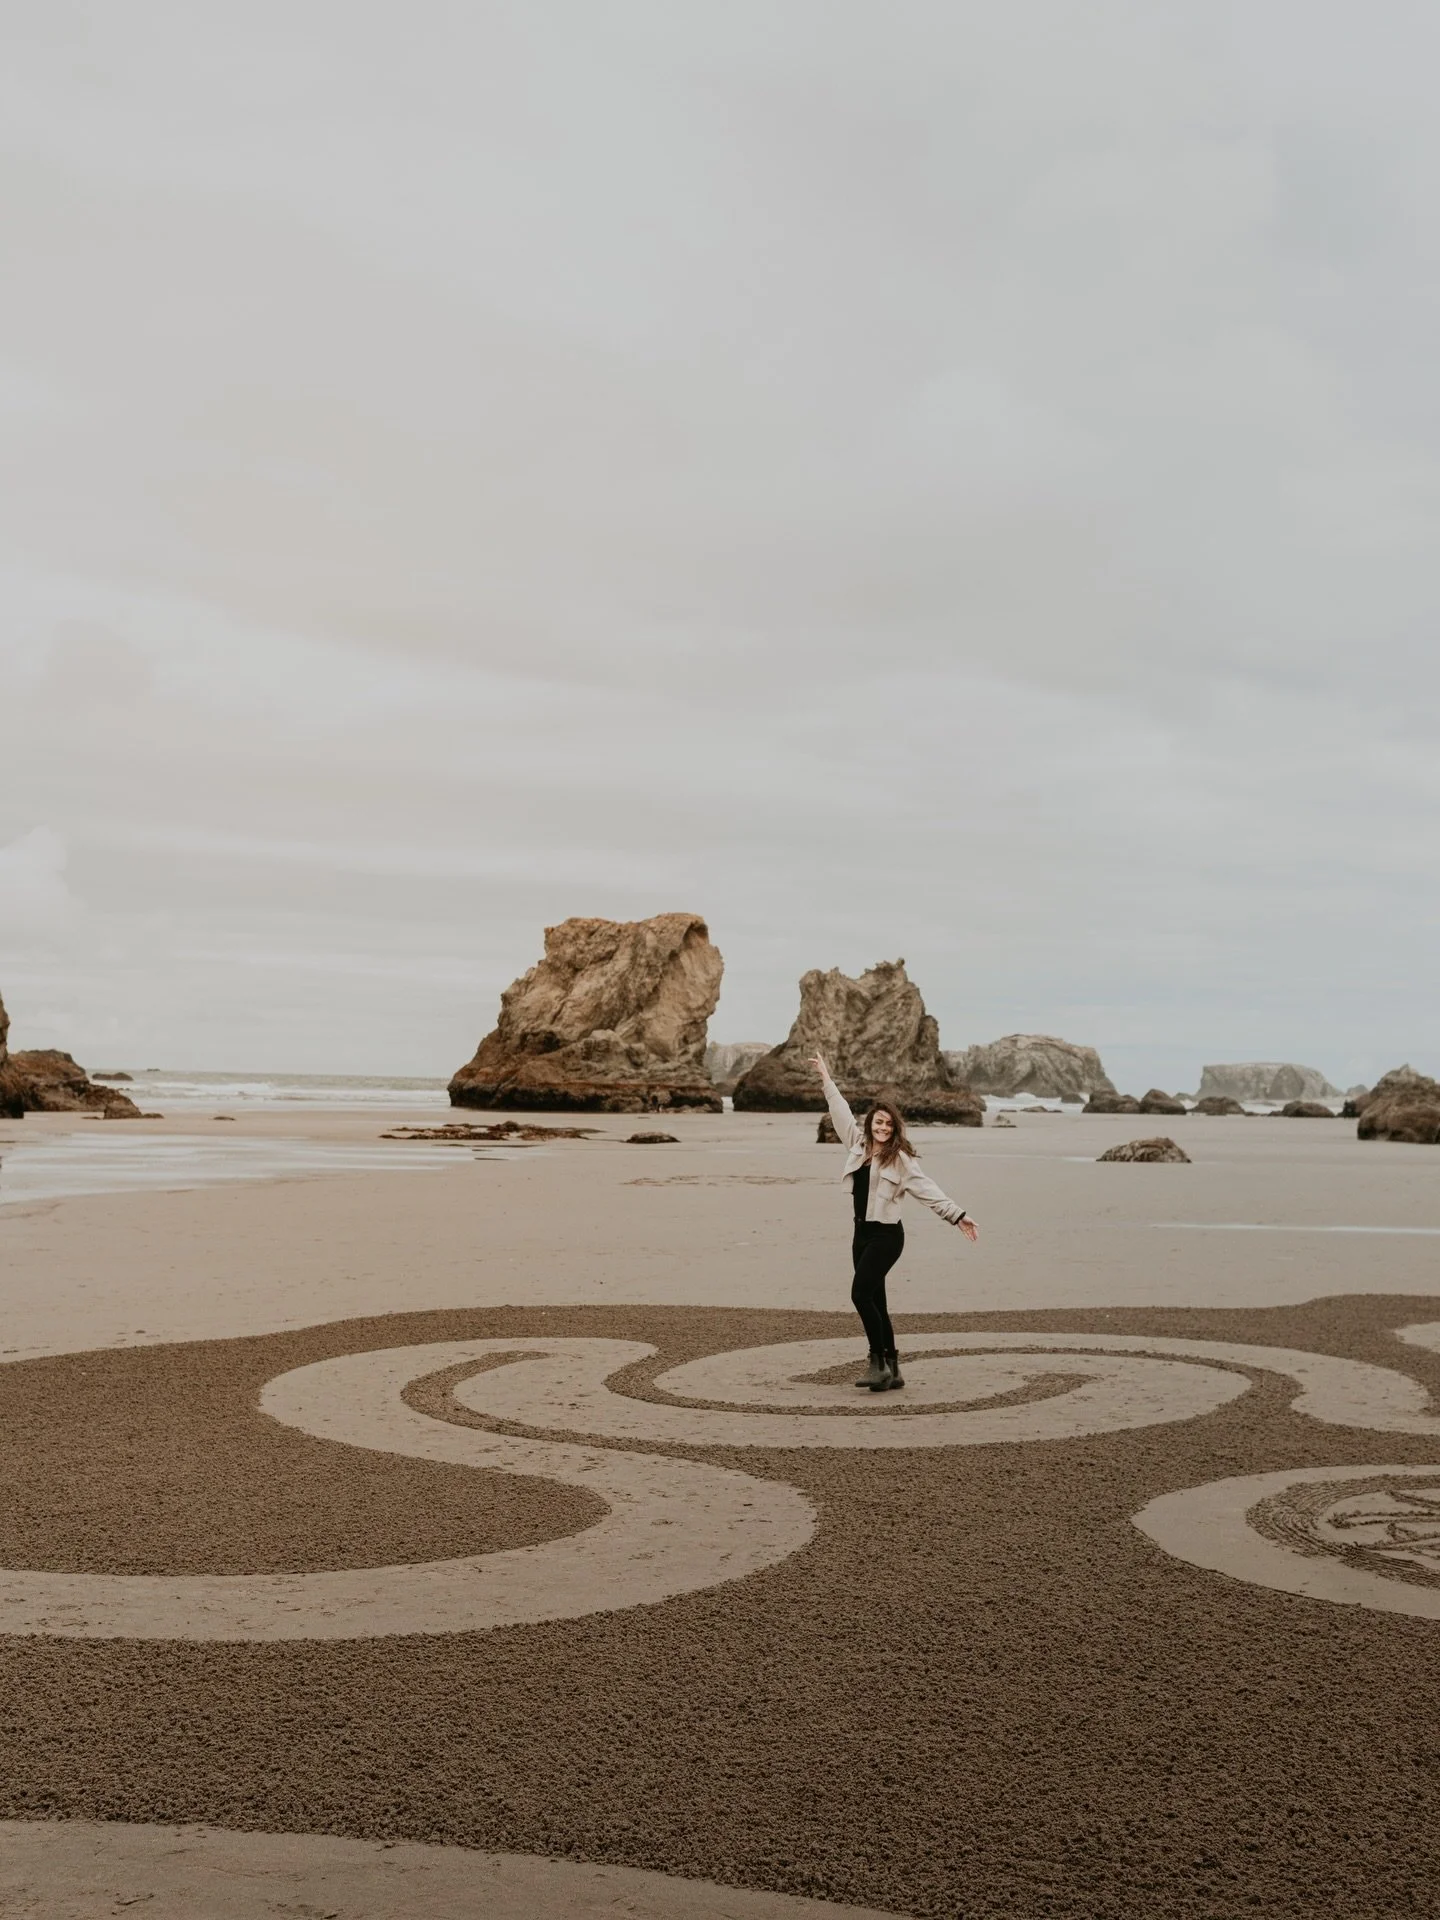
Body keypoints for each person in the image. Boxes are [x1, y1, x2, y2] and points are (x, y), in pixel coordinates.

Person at [812, 1052, 979, 1392]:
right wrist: (827, 1079)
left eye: (889, 1124)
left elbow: (926, 1189)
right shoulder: (857, 1145)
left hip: (887, 1237)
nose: (883, 1128)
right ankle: (894, 1368)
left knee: (860, 1294)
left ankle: (877, 1362)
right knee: (877, 1300)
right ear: (870, 1123)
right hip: (861, 1234)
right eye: (878, 1123)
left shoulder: (899, 1159)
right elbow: (840, 1111)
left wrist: (957, 1215)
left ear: (895, 1128)